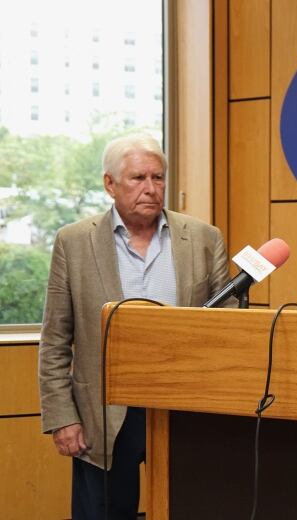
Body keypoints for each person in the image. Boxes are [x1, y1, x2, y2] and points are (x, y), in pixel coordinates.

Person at [38, 133, 231, 519]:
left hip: (185, 411)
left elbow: (226, 330)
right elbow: (56, 340)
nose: (151, 189)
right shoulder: (74, 242)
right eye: (138, 179)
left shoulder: (204, 239)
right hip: (105, 413)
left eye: (158, 178)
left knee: (190, 507)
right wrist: (63, 417)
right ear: (110, 184)